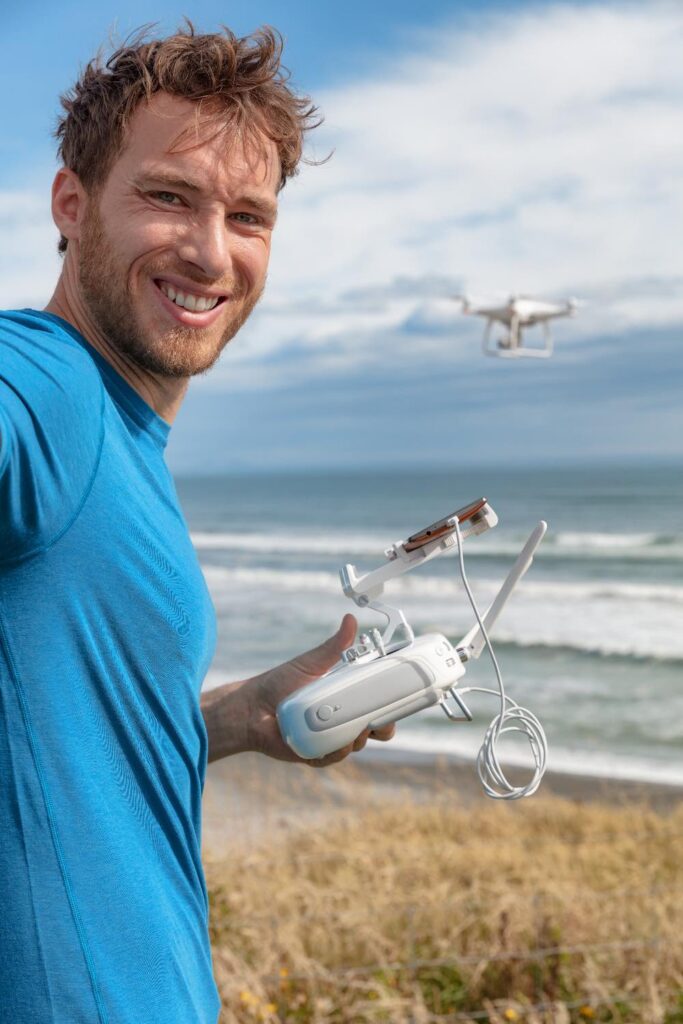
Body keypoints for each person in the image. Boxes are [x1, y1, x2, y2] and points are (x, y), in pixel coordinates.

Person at [0, 23, 394, 1023]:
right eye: (168, 196)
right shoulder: (49, 389)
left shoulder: (121, 437)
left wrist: (231, 721)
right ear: (71, 203)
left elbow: (51, 720)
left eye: (247, 216)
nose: (212, 251)